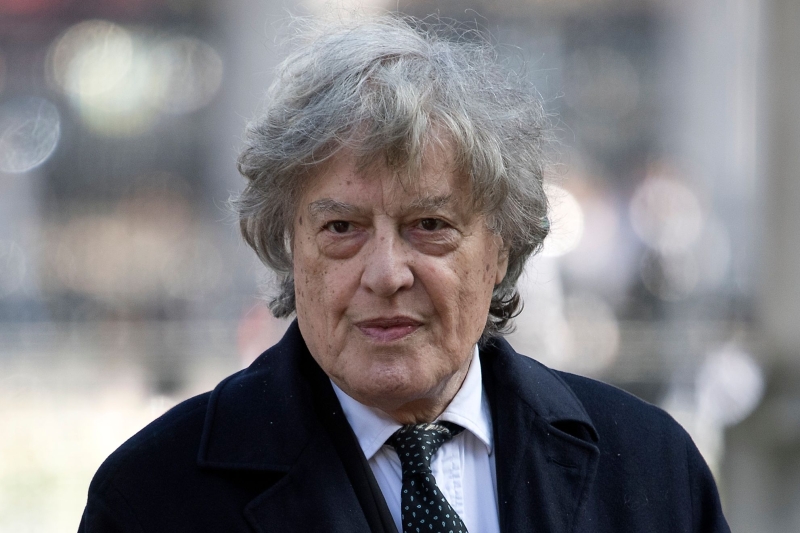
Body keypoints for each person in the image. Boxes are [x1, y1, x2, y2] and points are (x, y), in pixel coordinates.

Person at [79, 15, 731, 533]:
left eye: (429, 225)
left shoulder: (650, 470)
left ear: (502, 249)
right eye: (342, 228)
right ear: (289, 247)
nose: (387, 274)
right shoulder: (155, 497)